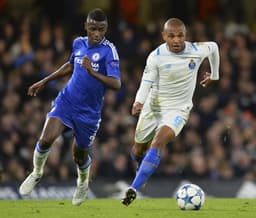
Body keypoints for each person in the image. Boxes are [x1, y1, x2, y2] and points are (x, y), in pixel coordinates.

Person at [19, 8, 121, 206]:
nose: (97, 33)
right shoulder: (78, 43)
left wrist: (92, 73)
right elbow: (70, 65)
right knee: (46, 139)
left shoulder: (109, 50)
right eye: (93, 29)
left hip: (89, 112)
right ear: (86, 27)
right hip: (67, 100)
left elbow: (116, 84)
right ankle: (36, 172)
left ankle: (82, 182)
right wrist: (44, 81)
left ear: (106, 28)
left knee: (79, 155)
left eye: (101, 29)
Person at [121, 18, 220, 206]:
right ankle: (140, 169)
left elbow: (214, 47)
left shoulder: (196, 50)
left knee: (158, 141)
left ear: (186, 36)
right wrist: (138, 101)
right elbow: (147, 82)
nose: (176, 40)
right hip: (154, 106)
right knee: (138, 148)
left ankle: (133, 188)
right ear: (164, 36)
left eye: (180, 35)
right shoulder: (156, 56)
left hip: (178, 109)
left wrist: (215, 75)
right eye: (171, 36)